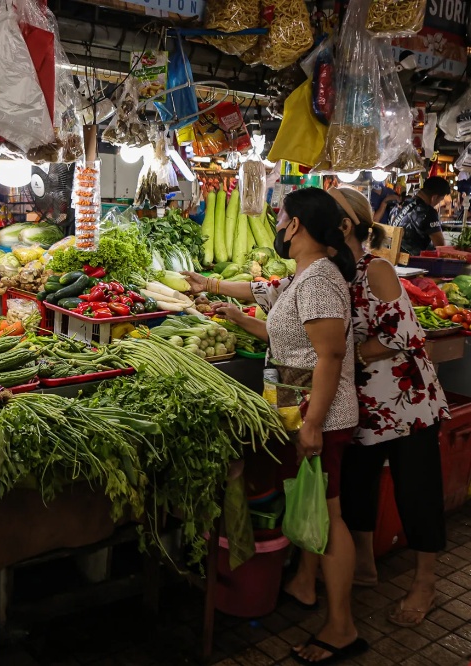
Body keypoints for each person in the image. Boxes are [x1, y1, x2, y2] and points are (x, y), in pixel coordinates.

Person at [185, 188, 366, 665]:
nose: (278, 226)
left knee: (327, 516)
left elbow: (329, 356)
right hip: (292, 401)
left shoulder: (322, 279)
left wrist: (312, 425)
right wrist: (232, 310)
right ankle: (306, 586)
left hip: (317, 412)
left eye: (282, 219)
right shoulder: (306, 274)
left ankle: (342, 626)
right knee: (312, 505)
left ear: (297, 225)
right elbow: (282, 334)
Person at [320, 187, 450, 628]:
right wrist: (217, 287)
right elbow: (281, 291)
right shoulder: (332, 270)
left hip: (405, 402)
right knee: (358, 486)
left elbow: (401, 335)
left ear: (343, 226)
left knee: (417, 493)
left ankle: (425, 582)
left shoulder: (375, 269)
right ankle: (363, 566)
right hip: (361, 404)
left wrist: (342, 354)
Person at [389, 176, 452, 255]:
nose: (439, 203)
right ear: (434, 197)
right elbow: (440, 246)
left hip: (392, 259)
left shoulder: (398, 206)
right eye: (440, 199)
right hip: (414, 263)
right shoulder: (428, 212)